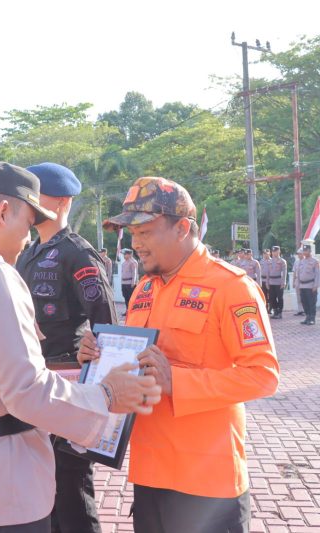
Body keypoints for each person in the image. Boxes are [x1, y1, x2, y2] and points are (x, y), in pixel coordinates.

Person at [0, 160, 161, 532]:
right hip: (4, 486)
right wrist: (106, 395)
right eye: (28, 223)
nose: (28, 237)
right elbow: (26, 391)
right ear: (4, 211)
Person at [90, 176, 279, 532]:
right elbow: (136, 362)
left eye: (145, 231)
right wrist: (99, 355)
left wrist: (176, 380)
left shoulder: (231, 287)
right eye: (131, 234)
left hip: (206, 482)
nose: (135, 243)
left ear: (181, 228)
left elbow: (263, 376)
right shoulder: (145, 287)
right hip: (149, 470)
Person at [16, 162, 116, 533]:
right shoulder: (28, 253)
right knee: (44, 484)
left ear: (60, 202)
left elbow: (108, 328)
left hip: (68, 382)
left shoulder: (78, 253)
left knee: (71, 485)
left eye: (34, 194)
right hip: (35, 382)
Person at [295, 245, 320, 325]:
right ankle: (307, 317)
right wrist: (297, 285)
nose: (305, 252)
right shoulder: (301, 261)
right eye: (304, 251)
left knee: (311, 303)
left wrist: (315, 285)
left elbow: (317, 274)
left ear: (310, 251)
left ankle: (312, 318)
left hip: (310, 285)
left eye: (306, 251)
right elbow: (298, 274)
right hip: (302, 285)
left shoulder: (314, 261)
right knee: (304, 302)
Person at [266, 246, 287, 319]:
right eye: (273, 251)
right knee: (272, 298)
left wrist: (283, 282)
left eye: (276, 251)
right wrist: (267, 282)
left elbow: (284, 273)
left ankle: (280, 312)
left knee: (280, 298)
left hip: (279, 282)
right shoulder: (269, 261)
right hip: (271, 282)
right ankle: (275, 311)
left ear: (279, 251)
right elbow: (268, 273)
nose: (274, 253)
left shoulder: (282, 261)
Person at [292, 249, 305, 316]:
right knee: (298, 296)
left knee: (304, 296)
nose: (299, 255)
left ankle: (304, 310)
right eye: (298, 254)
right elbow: (294, 272)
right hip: (297, 280)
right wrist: (293, 282)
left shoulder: (306, 261)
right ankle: (300, 310)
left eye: (301, 253)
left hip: (304, 281)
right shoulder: (296, 262)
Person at [260, 248, 271, 314]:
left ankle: (271, 308)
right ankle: (265, 308)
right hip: (263, 280)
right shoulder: (261, 261)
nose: (265, 255)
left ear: (269, 253)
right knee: (264, 295)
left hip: (270, 280)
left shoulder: (272, 261)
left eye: (266, 254)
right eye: (264, 254)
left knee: (271, 295)